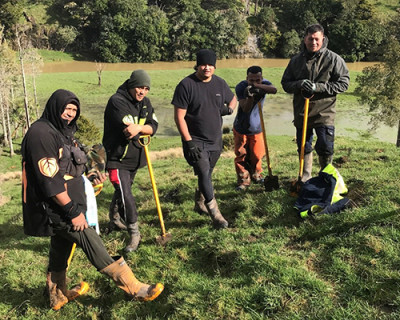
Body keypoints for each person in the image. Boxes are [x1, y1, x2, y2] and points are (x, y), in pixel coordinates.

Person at [21, 89, 163, 311]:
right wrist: (72, 212)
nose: (70, 114)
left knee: (61, 245)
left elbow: (69, 166)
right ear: (54, 107)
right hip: (57, 207)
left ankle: (57, 295)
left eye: (74, 110)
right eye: (66, 108)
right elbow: (50, 181)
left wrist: (89, 176)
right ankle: (134, 288)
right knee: (91, 240)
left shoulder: (63, 132)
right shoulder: (41, 133)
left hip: (70, 203)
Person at [172, 49, 237, 229]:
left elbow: (233, 99)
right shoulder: (186, 85)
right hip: (195, 140)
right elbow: (179, 116)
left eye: (210, 65)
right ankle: (216, 214)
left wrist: (229, 109)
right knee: (203, 171)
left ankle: (199, 202)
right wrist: (188, 141)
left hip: (215, 140)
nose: (207, 68)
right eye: (203, 64)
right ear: (197, 65)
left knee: (207, 174)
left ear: (214, 66)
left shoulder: (220, 84)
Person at [281, 24, 349, 182]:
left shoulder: (334, 59)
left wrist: (317, 87)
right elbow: (285, 84)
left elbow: (343, 84)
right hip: (301, 112)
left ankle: (326, 178)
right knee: (304, 147)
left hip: (324, 112)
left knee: (325, 146)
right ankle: (305, 179)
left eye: (316, 39)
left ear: (323, 39)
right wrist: (299, 84)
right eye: (310, 39)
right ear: (305, 39)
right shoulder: (296, 60)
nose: (313, 42)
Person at [103, 70, 158, 252]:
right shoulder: (117, 101)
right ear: (130, 85)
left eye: (146, 88)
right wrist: (142, 128)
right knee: (126, 194)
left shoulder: (145, 103)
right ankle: (134, 232)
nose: (142, 92)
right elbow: (129, 130)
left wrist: (141, 127)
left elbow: (153, 126)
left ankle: (115, 219)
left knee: (123, 190)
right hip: (116, 158)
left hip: (135, 158)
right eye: (139, 87)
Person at [233, 66, 277, 191]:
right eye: (251, 80)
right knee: (241, 155)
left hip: (257, 127)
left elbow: (274, 89)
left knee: (257, 155)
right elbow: (245, 108)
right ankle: (243, 181)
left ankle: (257, 175)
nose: (254, 82)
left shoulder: (264, 84)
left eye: (258, 80)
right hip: (241, 127)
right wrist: (250, 96)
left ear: (261, 78)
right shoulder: (241, 87)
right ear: (246, 78)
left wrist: (258, 87)